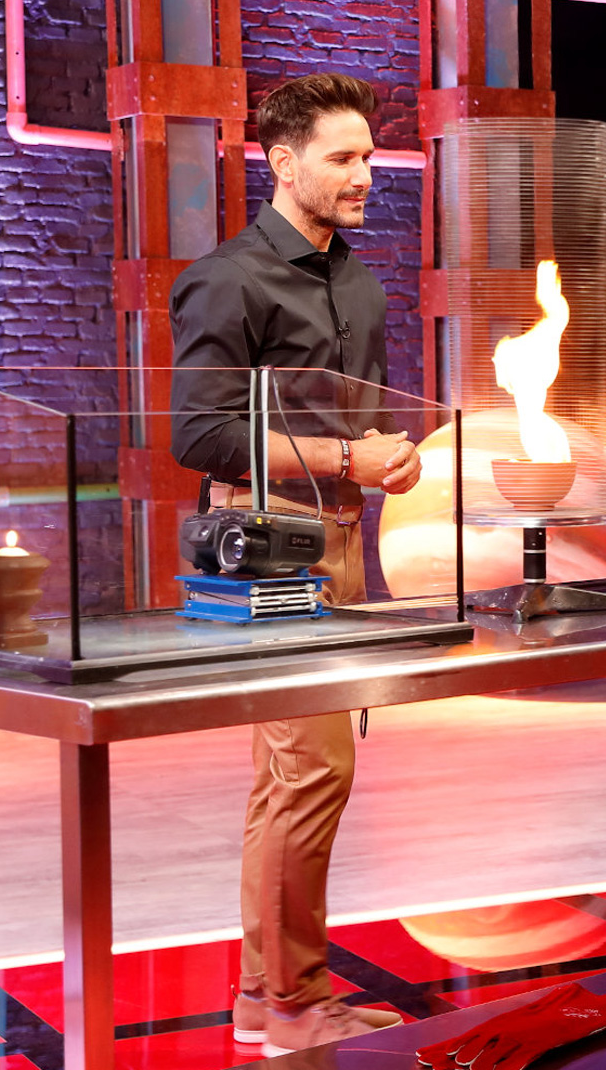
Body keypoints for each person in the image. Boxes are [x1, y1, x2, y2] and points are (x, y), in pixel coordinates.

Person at [168, 72, 419, 1056]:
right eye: (343, 158)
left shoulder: (360, 283)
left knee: (291, 778)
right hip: (263, 547)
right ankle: (296, 1003)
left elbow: (360, 424)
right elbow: (198, 435)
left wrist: (387, 458)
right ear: (282, 162)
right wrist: (349, 460)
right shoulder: (227, 278)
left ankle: (261, 995)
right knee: (313, 772)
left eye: (369, 158)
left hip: (341, 542)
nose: (365, 176)